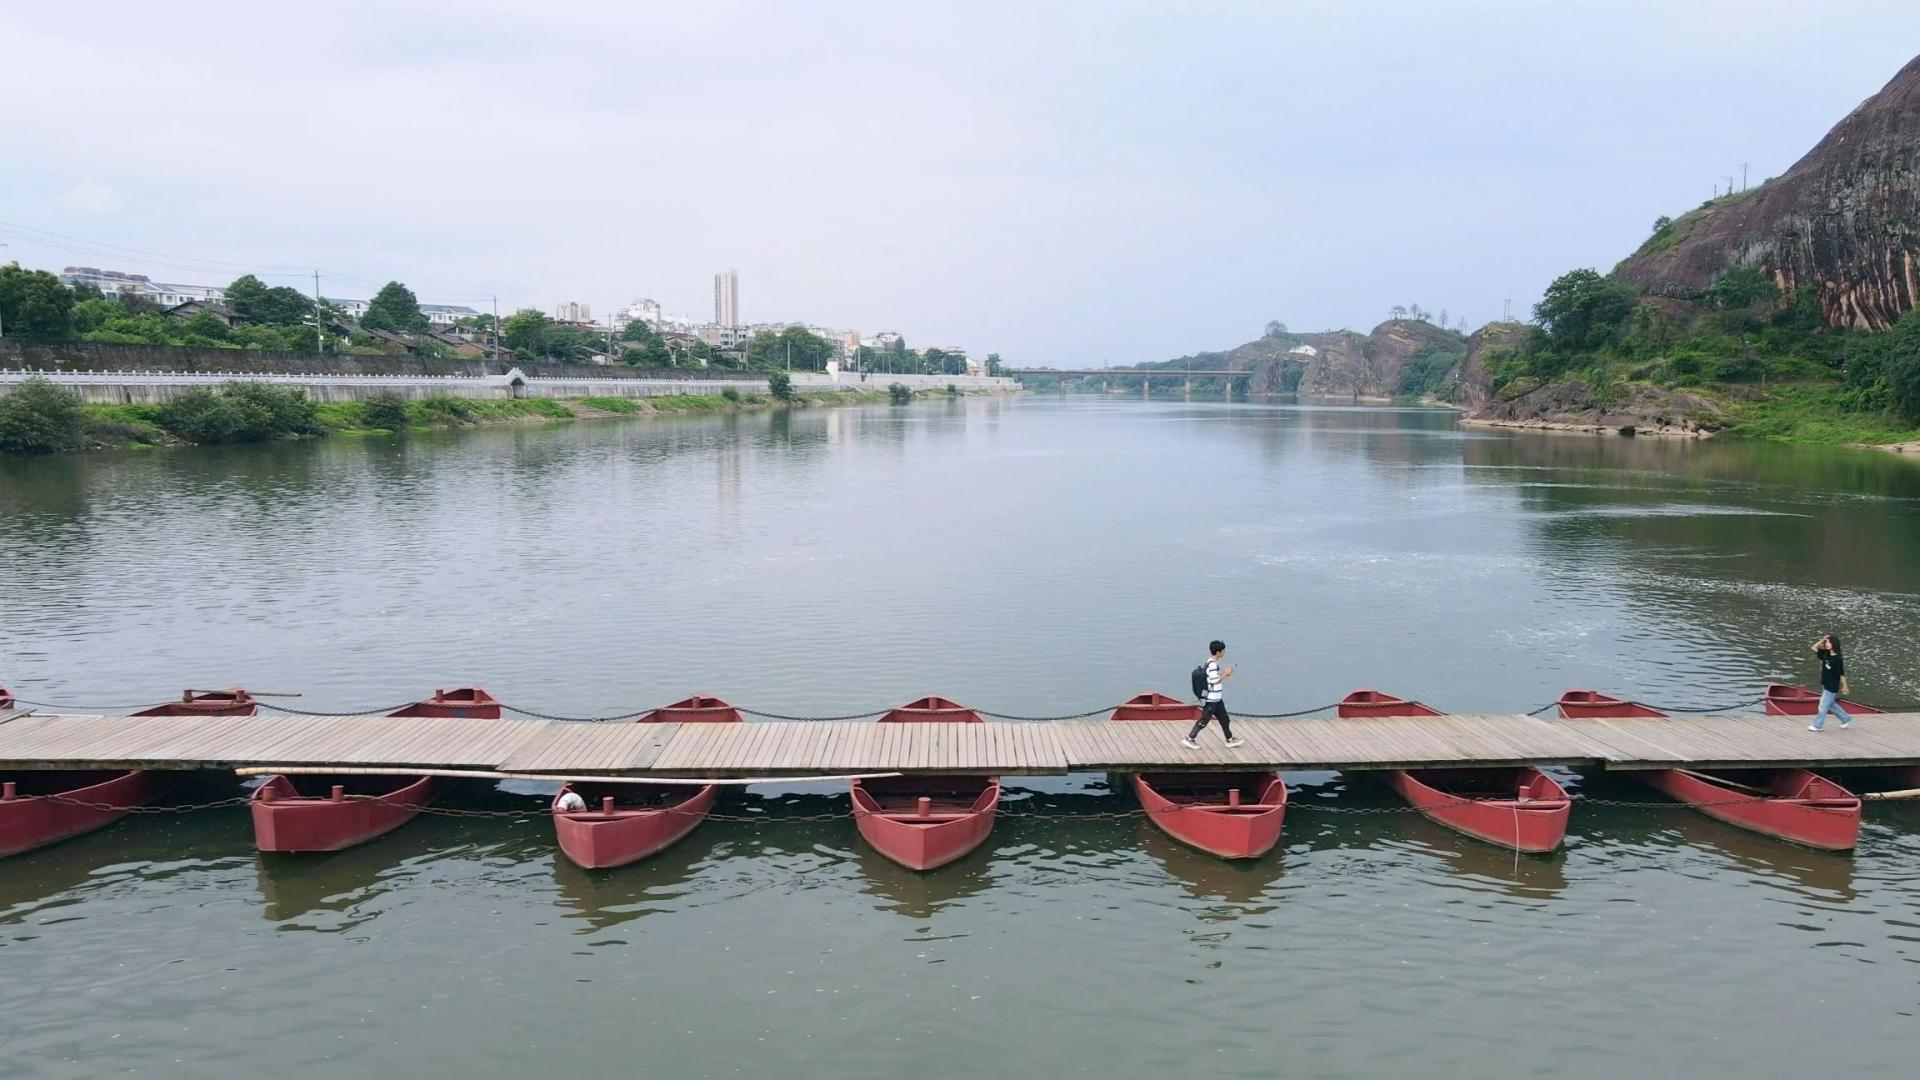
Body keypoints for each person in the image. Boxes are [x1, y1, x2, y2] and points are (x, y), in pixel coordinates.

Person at [1183, 639, 1243, 749]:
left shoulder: (1211, 663)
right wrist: (1226, 675)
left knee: (1224, 719)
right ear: (1218, 652)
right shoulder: (1212, 664)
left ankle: (1229, 739)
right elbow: (1214, 681)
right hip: (1212, 700)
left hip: (1217, 700)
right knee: (1204, 720)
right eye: (1223, 651)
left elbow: (1212, 677)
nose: (1224, 653)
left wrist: (1224, 672)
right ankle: (1190, 738)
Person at [1808, 634, 1853, 732]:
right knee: (1831, 704)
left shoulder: (1837, 659)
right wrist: (1823, 640)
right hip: (1825, 683)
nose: (1826, 644)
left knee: (1823, 705)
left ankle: (1818, 725)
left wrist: (1845, 687)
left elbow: (1841, 674)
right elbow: (1813, 647)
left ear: (1834, 644)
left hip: (1832, 686)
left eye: (1828, 642)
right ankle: (1846, 719)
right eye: (1826, 642)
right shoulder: (1826, 653)